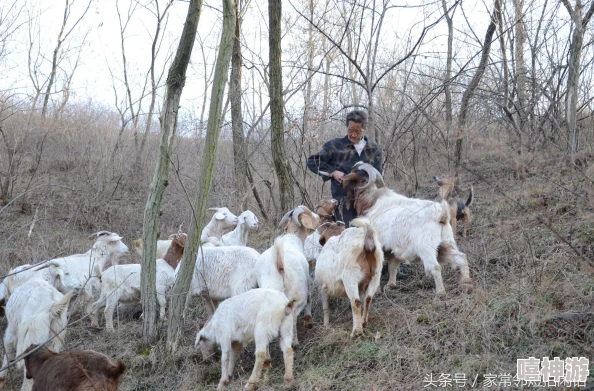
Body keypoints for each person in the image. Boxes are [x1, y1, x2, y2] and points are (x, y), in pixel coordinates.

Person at [307, 110, 383, 227]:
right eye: (349, 130)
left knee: (369, 238)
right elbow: (312, 161)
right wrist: (333, 172)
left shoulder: (373, 150)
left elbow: (378, 176)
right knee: (348, 237)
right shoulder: (335, 146)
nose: (352, 134)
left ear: (364, 129)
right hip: (344, 204)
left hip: (368, 203)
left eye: (356, 131)